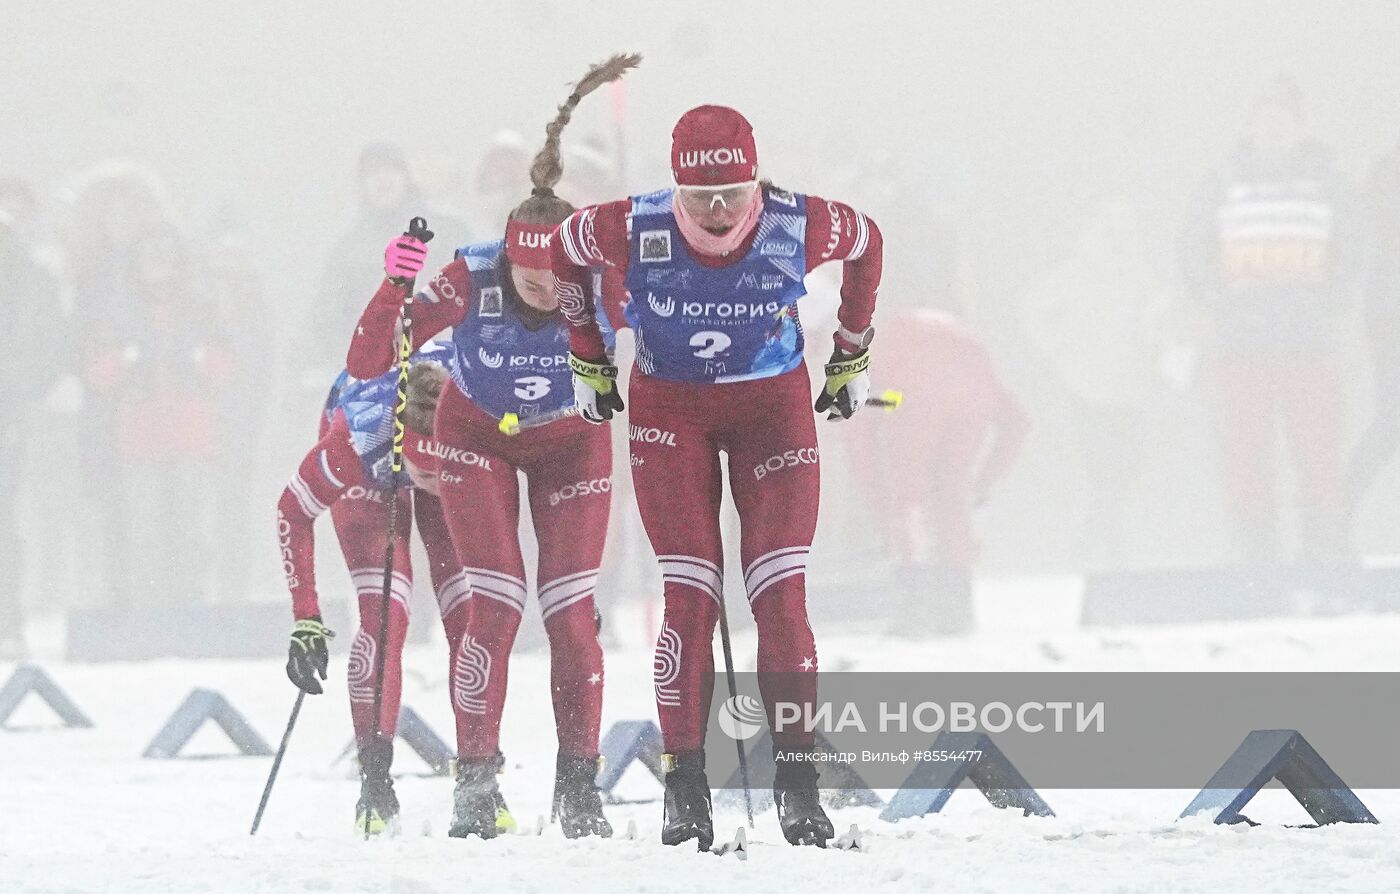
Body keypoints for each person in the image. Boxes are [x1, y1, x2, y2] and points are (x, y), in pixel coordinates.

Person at [552, 105, 883, 848]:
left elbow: (870, 243)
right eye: (700, 197)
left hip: (773, 409)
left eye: (734, 192)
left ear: (756, 179)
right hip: (673, 413)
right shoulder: (631, 225)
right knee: (691, 596)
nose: (719, 210)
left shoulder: (802, 222)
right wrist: (586, 351)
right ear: (675, 187)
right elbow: (562, 249)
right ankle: (686, 786)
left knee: (779, 596)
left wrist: (853, 350)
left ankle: (799, 786)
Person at [347, 54, 638, 840]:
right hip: (478, 441)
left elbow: (677, 341)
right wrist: (393, 287)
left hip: (574, 448)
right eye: (529, 279)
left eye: (557, 283)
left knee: (572, 613)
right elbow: (373, 357)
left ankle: (580, 789)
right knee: (496, 606)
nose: (545, 294)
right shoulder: (472, 277)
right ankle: (475, 784)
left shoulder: (602, 275)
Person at [279, 345, 484, 835]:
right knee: (385, 615)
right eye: (424, 472)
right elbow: (292, 511)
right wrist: (306, 618)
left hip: (452, 441)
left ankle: (479, 780)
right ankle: (374, 784)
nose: (434, 484)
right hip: (373, 474)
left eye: (440, 473)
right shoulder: (355, 439)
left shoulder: (480, 402)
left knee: (469, 611)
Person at [1179, 76, 1362, 564]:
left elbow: (1354, 248)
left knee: (1317, 446)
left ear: (1300, 125)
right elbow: (1192, 249)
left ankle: (1322, 548)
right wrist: (1217, 299)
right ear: (1250, 123)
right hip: (1240, 343)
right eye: (1264, 116)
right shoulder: (1220, 182)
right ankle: (1254, 554)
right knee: (1245, 449)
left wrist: (1331, 301)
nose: (1273, 127)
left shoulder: (1329, 183)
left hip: (1309, 340)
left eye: (1283, 117)